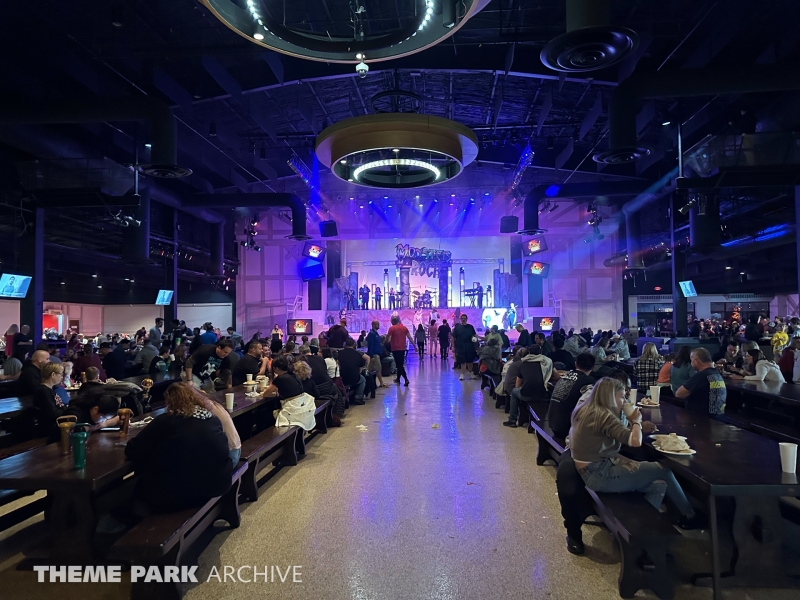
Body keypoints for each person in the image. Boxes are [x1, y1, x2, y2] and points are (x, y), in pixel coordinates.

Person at [570, 378, 701, 535]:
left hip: (590, 471)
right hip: (600, 474)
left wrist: (626, 458)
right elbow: (635, 442)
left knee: (659, 485)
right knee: (663, 470)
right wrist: (635, 421)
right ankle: (690, 516)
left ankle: (644, 529)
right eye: (622, 397)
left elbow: (598, 444)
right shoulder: (604, 416)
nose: (624, 401)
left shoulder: (587, 410)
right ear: (611, 396)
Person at [125, 383, 233, 514]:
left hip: (181, 492)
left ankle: (132, 518)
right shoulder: (212, 419)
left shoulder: (166, 421)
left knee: (142, 483)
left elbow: (133, 449)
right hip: (218, 483)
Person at [503, 344, 555, 428]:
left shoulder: (523, 363)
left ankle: (512, 420)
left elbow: (518, 383)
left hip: (526, 394)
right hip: (543, 394)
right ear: (541, 352)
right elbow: (556, 376)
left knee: (514, 392)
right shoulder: (547, 362)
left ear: (529, 352)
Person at [547, 353, 597, 439]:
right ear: (593, 367)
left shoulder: (564, 376)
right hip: (566, 428)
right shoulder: (589, 381)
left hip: (552, 422)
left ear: (575, 364)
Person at [675, 348, 727, 417]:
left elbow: (679, 394)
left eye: (691, 361)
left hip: (702, 419)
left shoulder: (702, 375)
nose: (691, 363)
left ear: (696, 361)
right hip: (718, 417)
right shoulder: (717, 374)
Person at [50, 393, 120, 441]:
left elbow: (117, 418)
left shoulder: (93, 411)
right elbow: (76, 431)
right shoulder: (74, 413)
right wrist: (91, 428)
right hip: (57, 446)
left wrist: (105, 424)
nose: (103, 421)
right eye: (104, 418)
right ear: (95, 409)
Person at [32, 362, 66, 436]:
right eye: (61, 374)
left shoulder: (49, 389)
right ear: (53, 375)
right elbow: (52, 413)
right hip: (51, 428)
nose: (62, 377)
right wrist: (66, 409)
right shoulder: (43, 391)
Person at [338, 338, 370, 402]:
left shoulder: (339, 353)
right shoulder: (357, 354)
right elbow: (360, 368)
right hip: (354, 377)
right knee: (363, 380)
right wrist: (365, 368)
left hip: (342, 376)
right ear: (354, 344)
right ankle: (358, 396)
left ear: (345, 344)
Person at [388, 315, 415, 386]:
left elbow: (388, 340)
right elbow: (410, 337)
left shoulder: (391, 328)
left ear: (393, 321)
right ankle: (398, 379)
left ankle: (406, 379)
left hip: (395, 349)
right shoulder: (404, 328)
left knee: (399, 365)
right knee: (399, 364)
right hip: (402, 349)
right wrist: (415, 346)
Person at [452, 314, 478, 381]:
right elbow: (453, 337)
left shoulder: (470, 327)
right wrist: (453, 346)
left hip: (469, 346)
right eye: (462, 318)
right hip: (460, 347)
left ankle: (471, 373)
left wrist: (478, 339)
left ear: (466, 319)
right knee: (462, 361)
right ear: (460, 319)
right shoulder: (457, 327)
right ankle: (462, 374)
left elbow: (474, 335)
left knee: (470, 361)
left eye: (464, 318)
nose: (463, 319)